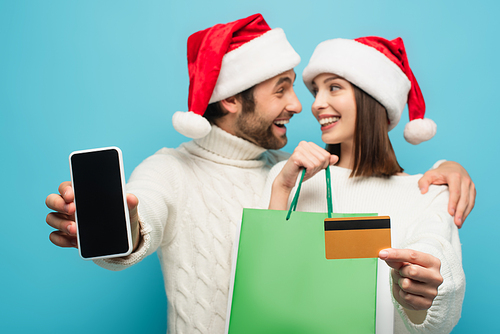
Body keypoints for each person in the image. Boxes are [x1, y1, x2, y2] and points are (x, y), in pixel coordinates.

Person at [45, 15, 473, 333]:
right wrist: (115, 224)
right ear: (232, 99)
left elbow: (390, 231)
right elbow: (145, 213)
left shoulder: (291, 175)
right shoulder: (171, 170)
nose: (301, 106)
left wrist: (445, 171)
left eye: (308, 88)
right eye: (282, 89)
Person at [263, 36, 465, 333]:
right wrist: (281, 188)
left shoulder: (429, 193)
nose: (317, 104)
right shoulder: (290, 177)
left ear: (374, 98)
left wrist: (418, 296)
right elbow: (264, 275)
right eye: (315, 91)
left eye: (334, 87)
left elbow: (436, 322)